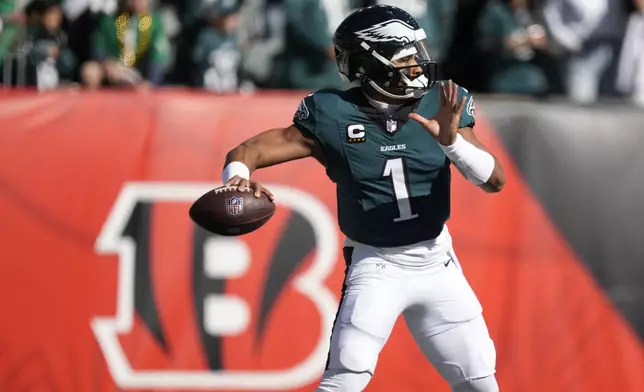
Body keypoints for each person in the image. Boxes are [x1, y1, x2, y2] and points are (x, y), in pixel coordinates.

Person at [222, 5, 505, 392]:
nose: (419, 67)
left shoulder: (440, 102)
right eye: (406, 59)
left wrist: (453, 142)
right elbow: (247, 152)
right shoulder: (332, 112)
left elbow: (493, 181)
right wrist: (237, 180)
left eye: (417, 56)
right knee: (345, 378)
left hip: (438, 263)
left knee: (480, 382)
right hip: (377, 265)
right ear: (371, 64)